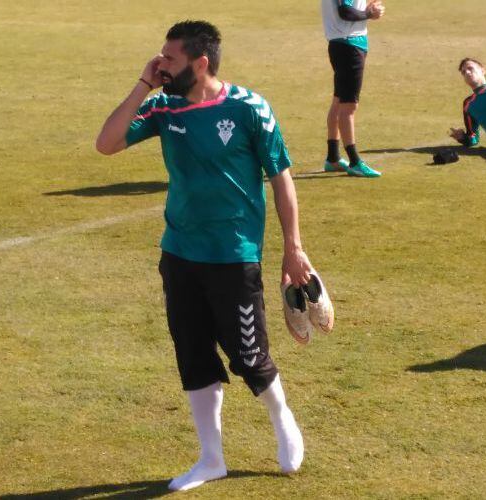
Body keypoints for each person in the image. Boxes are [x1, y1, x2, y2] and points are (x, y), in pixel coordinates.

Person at [96, 20, 313, 491]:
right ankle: (211, 459)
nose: (161, 64)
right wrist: (143, 83)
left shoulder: (250, 108)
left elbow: (281, 178)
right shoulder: (163, 104)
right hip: (179, 253)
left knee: (249, 355)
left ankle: (282, 420)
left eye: (169, 58)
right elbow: (106, 143)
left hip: (234, 256)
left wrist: (293, 248)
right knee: (193, 355)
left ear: (200, 63)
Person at [321, 0, 385, 177]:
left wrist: (369, 8)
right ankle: (355, 161)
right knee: (348, 106)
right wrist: (369, 14)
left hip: (346, 44)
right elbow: (346, 12)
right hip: (349, 46)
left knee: (338, 101)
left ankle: (333, 158)